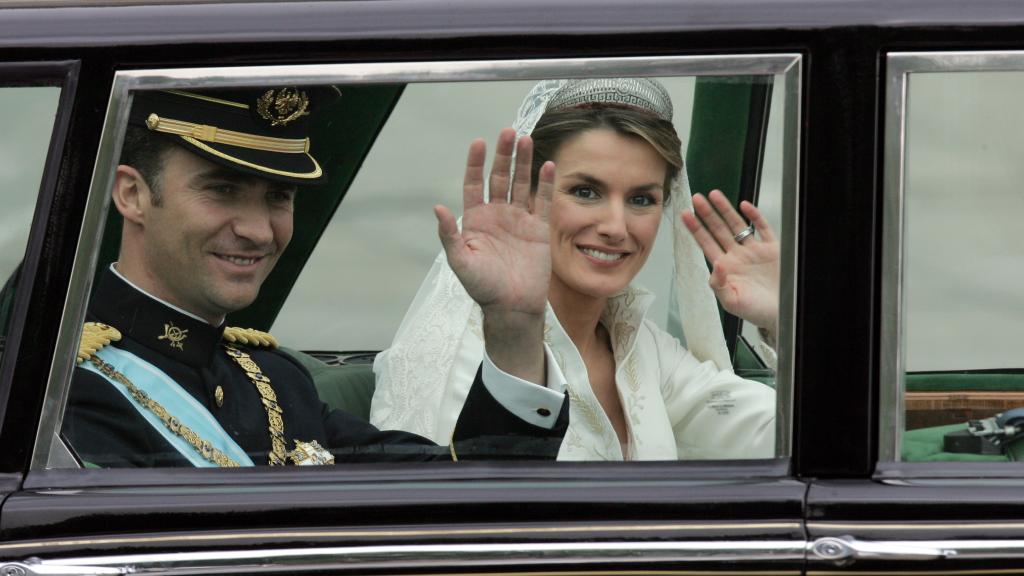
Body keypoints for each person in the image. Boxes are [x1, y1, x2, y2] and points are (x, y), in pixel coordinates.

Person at [63, 86, 568, 467]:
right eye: (222, 190)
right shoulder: (61, 396)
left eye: (278, 197)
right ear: (132, 195)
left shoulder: (273, 381)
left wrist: (513, 323)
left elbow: (465, 497)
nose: (259, 231)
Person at [372, 78, 779, 461]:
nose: (616, 227)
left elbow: (774, 434)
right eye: (586, 192)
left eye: (641, 199)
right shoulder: (462, 357)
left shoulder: (639, 346)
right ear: (526, 196)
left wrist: (782, 318)